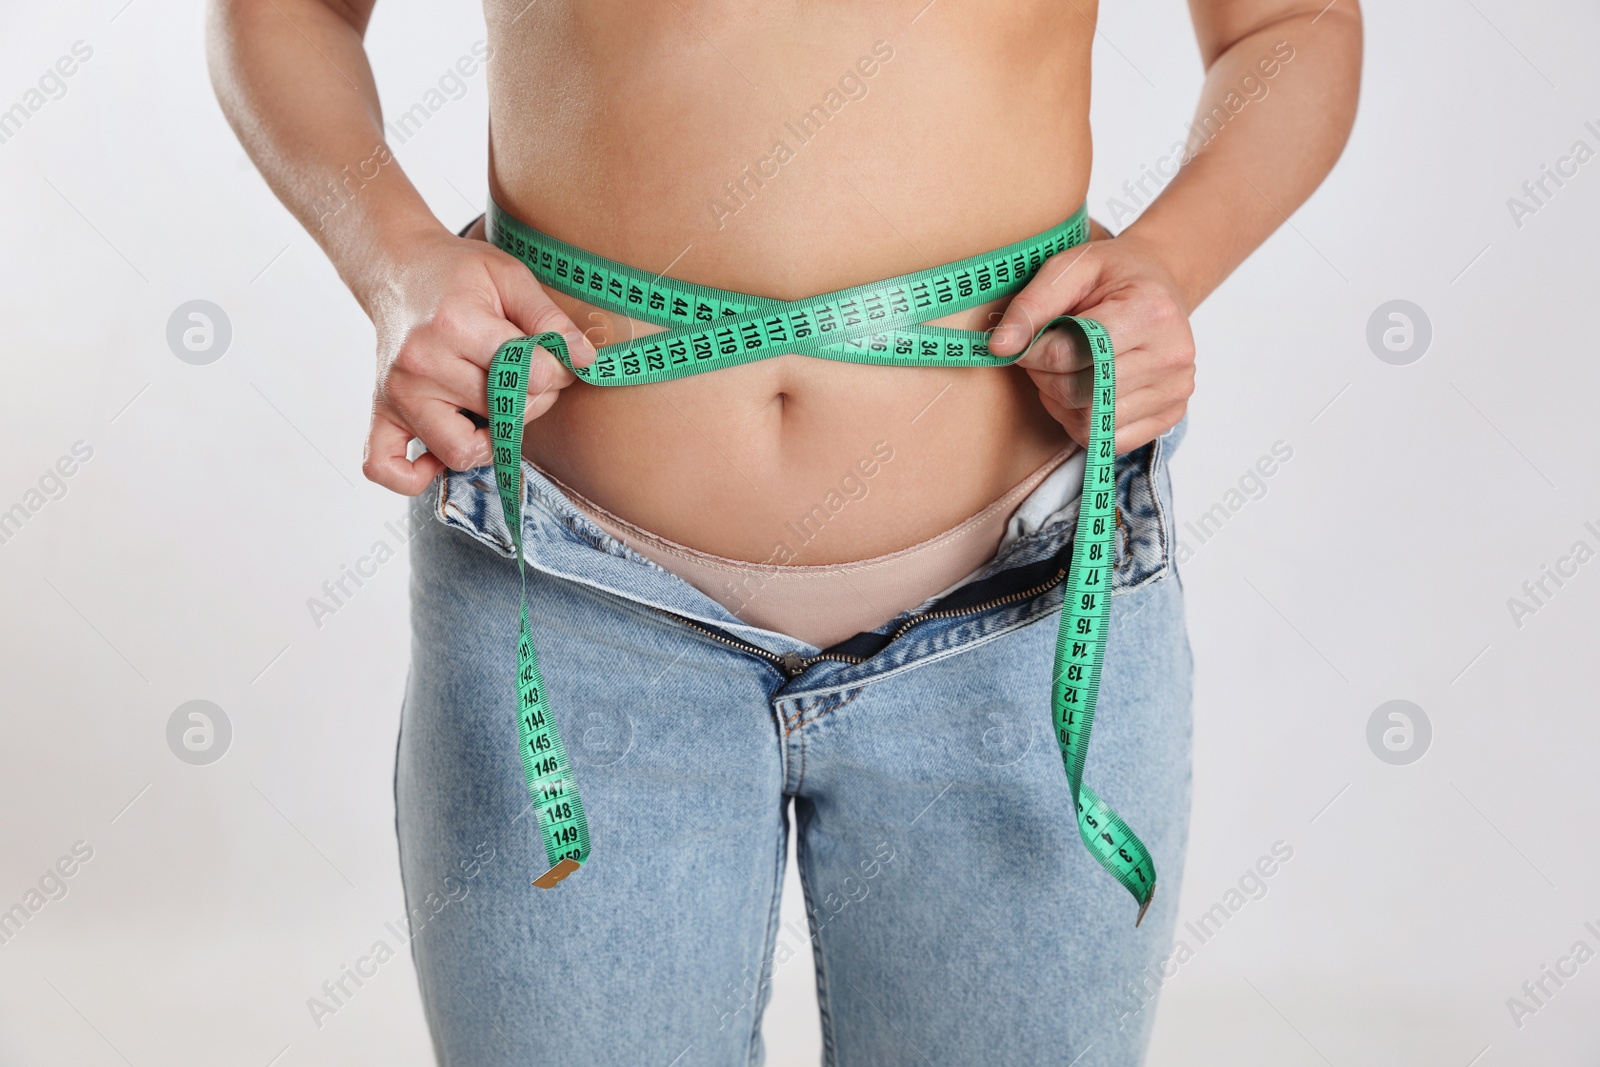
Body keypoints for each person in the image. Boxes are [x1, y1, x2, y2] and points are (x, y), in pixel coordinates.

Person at [208, 0, 1360, 1062]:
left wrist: (1172, 262)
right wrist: (395, 261)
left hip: (1021, 606)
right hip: (569, 600)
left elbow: (1289, 23)